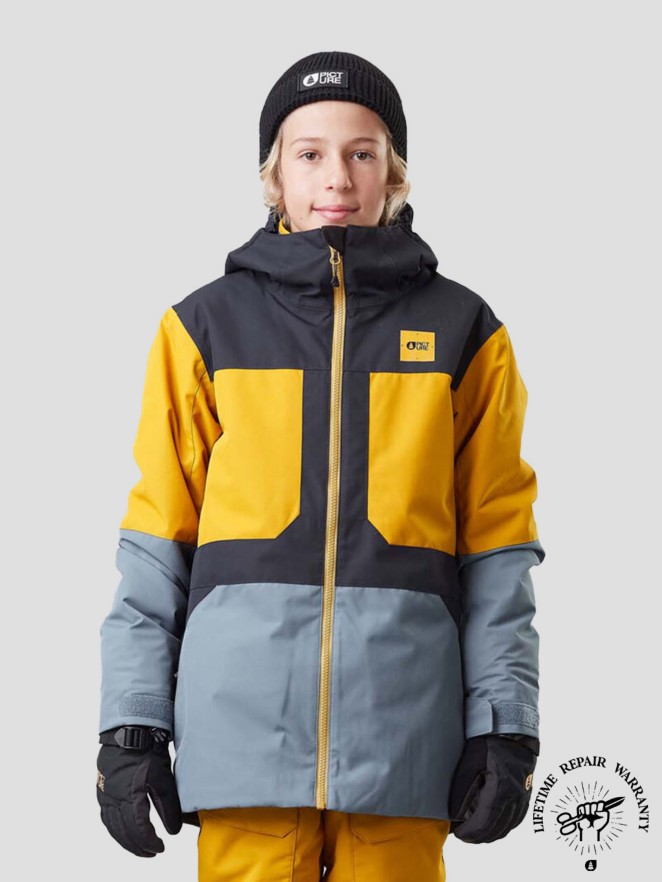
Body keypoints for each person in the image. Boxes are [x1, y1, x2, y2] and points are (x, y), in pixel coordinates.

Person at [97, 50, 545, 881]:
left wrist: (504, 722)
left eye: (361, 151)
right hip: (241, 741)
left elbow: (498, 550)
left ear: (393, 171)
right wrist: (132, 723)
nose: (336, 176)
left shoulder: (466, 332)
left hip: (406, 740)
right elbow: (157, 546)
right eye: (309, 153)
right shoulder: (202, 329)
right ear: (274, 176)